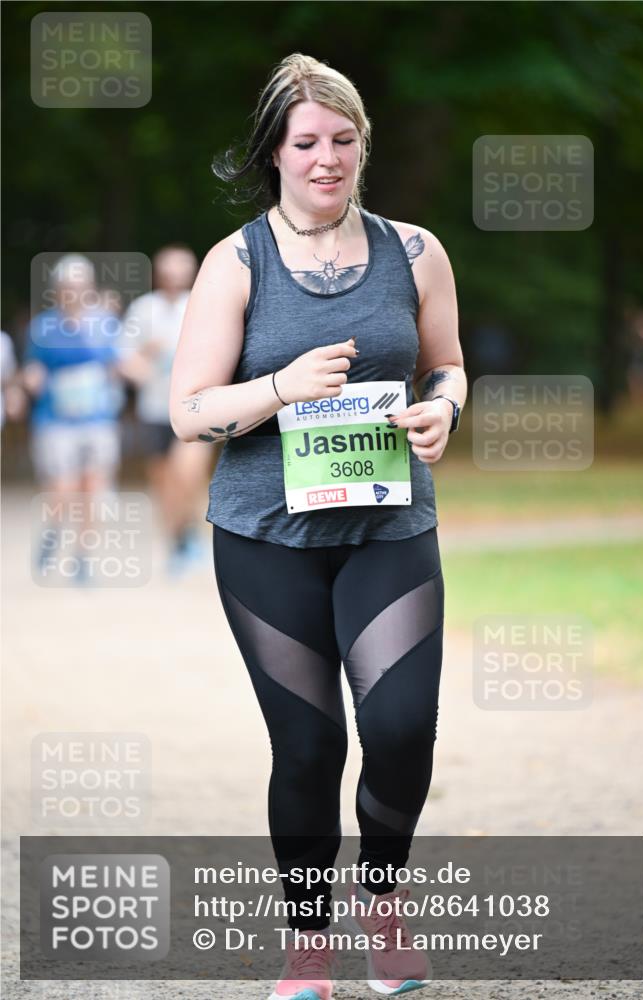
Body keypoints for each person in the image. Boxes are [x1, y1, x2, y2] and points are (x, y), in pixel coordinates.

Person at [170, 53, 467, 999]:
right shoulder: (235, 261)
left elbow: (448, 366)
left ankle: (383, 899)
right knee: (307, 748)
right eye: (307, 142)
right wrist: (278, 389)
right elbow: (186, 412)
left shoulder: (414, 252)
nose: (327, 159)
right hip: (264, 538)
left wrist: (443, 412)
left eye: (344, 141)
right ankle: (308, 941)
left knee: (401, 725)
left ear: (362, 147)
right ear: (274, 153)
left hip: (387, 528)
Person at [20, 254, 126, 582]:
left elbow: (119, 364)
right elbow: (33, 369)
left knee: (93, 491)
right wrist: (30, 380)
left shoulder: (106, 323)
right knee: (63, 490)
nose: (73, 293)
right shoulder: (43, 327)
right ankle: (54, 530)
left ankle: (82, 558)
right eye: (67, 287)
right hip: (56, 421)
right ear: (57, 290)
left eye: (80, 286)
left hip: (98, 420)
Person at [122, 244, 210, 576]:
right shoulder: (142, 310)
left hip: (194, 406)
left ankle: (192, 534)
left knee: (188, 474)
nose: (175, 276)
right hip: (154, 409)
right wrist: (143, 360)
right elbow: (125, 358)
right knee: (163, 482)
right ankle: (178, 541)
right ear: (159, 273)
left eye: (181, 269)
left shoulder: (200, 305)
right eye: (169, 270)